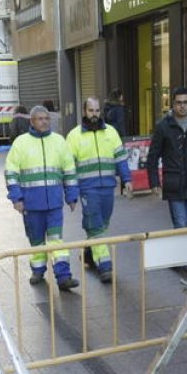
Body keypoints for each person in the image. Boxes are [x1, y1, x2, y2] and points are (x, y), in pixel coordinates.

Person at [4, 105, 80, 290]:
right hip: (31, 205)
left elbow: (69, 169)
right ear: (32, 121)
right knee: (36, 240)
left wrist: (71, 196)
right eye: (40, 118)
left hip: (54, 203)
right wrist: (16, 199)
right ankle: (38, 271)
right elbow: (11, 172)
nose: (44, 121)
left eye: (47, 118)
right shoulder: (21, 143)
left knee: (57, 241)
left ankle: (63, 276)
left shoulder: (59, 141)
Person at [65, 96, 132, 283]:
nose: (94, 114)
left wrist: (126, 179)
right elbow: (69, 167)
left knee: (102, 224)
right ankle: (105, 266)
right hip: (87, 189)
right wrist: (71, 193)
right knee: (95, 225)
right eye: (90, 110)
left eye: (96, 111)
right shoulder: (74, 136)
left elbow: (120, 158)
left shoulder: (111, 132)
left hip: (108, 187)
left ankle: (89, 253)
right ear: (84, 111)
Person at [146, 87, 187, 229]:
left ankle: (183, 250)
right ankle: (182, 250)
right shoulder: (163, 127)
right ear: (173, 104)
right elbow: (153, 156)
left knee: (186, 225)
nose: (182, 106)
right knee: (181, 225)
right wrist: (154, 182)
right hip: (173, 183)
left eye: (186, 102)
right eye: (179, 102)